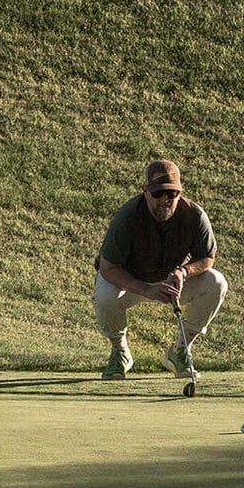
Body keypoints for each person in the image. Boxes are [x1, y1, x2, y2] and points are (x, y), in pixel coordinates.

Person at [93, 159, 227, 381]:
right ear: (145, 190)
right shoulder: (127, 217)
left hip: (171, 282)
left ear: (180, 192)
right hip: (131, 282)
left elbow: (207, 258)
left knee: (216, 283)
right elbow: (108, 268)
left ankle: (179, 351)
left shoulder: (194, 215)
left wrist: (183, 272)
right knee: (105, 295)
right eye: (158, 194)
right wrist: (146, 290)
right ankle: (120, 351)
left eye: (172, 193)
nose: (165, 200)